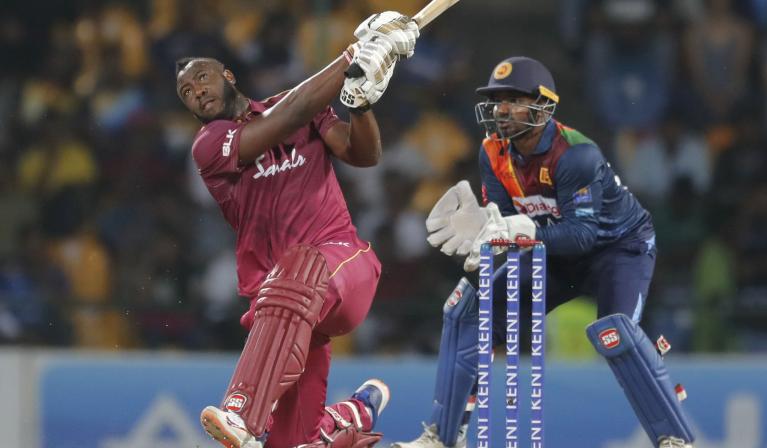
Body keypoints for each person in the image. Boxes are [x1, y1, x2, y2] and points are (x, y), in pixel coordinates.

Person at [391, 57, 695, 448]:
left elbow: (584, 235)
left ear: (543, 105)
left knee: (615, 331)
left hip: (618, 248)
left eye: (514, 99)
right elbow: (503, 221)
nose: (501, 109)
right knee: (467, 311)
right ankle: (442, 437)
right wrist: (482, 237)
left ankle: (675, 438)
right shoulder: (492, 152)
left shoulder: (576, 154)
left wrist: (524, 229)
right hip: (554, 251)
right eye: (497, 100)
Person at [176, 12, 419, 448]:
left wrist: (361, 104)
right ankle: (348, 416)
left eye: (203, 78)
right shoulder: (210, 145)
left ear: (228, 75)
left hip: (343, 265)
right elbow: (293, 113)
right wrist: (353, 55)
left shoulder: (296, 104)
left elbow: (363, 155)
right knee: (292, 444)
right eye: (187, 93)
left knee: (300, 263)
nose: (198, 92)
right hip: (283, 313)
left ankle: (243, 412)